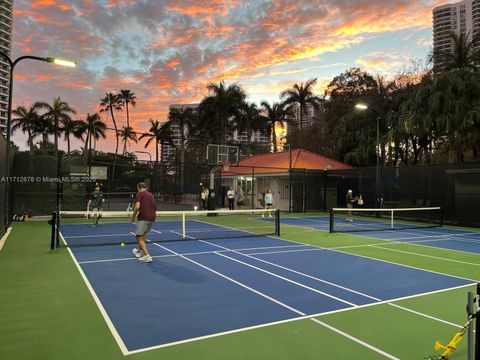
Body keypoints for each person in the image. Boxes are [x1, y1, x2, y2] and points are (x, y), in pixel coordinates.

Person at [131, 182, 157, 263]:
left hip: (143, 217)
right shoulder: (151, 195)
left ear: (138, 188)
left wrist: (133, 217)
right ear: (145, 187)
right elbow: (154, 207)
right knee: (143, 234)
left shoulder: (139, 193)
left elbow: (137, 207)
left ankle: (147, 256)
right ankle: (139, 251)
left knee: (138, 237)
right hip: (152, 217)